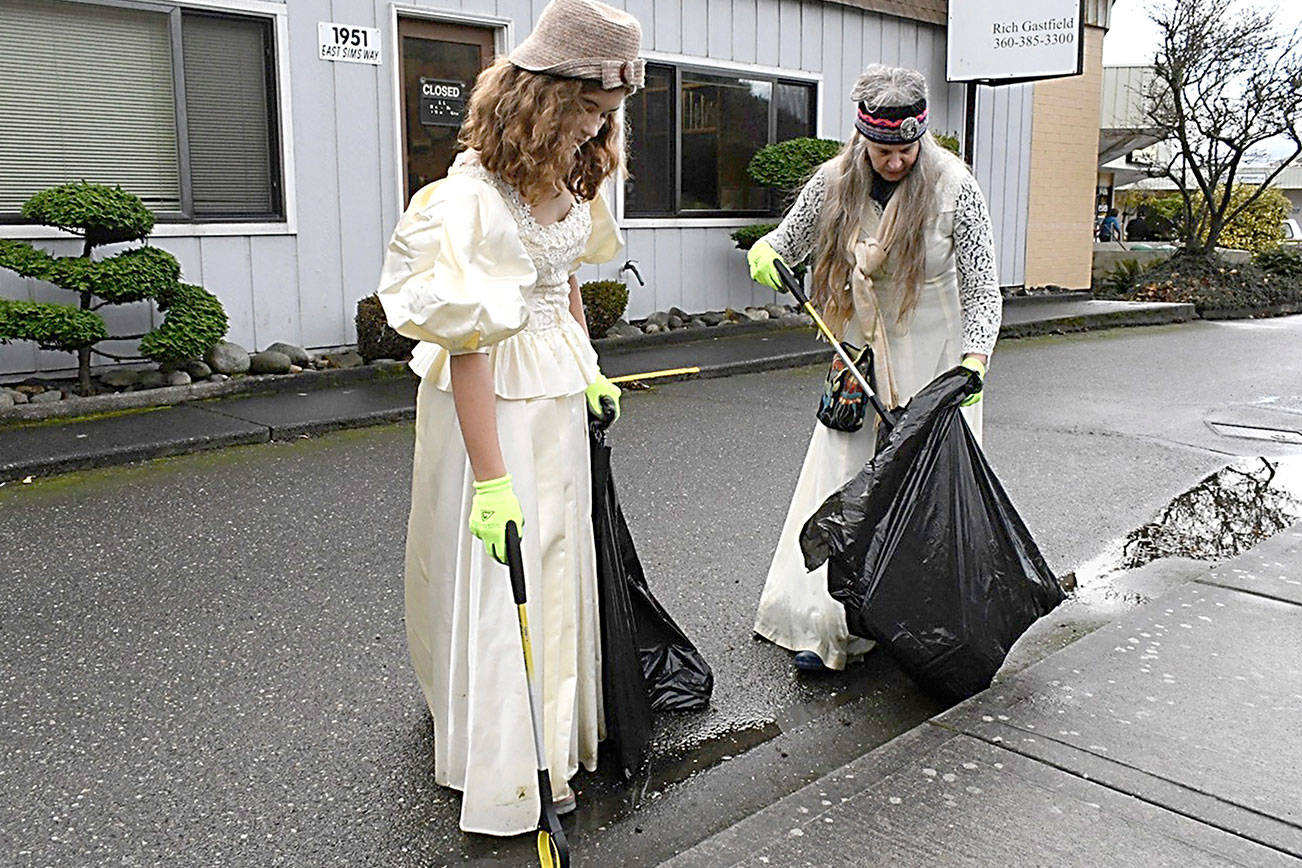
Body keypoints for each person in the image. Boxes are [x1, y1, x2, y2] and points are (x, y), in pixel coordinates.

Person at [374, 0, 642, 836]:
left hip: (554, 395)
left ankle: (552, 734)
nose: (600, 129)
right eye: (591, 111)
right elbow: (470, 351)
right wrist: (491, 482)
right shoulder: (470, 202)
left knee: (559, 565)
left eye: (608, 113)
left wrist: (589, 368)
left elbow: (562, 284)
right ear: (545, 100)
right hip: (491, 408)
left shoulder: (573, 171)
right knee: (507, 572)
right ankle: (512, 758)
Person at [746, 64, 1002, 673]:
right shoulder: (835, 183)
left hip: (937, 361)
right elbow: (786, 243)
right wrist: (767, 254)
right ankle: (826, 627)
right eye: (883, 151)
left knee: (920, 494)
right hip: (858, 352)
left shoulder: (953, 188)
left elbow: (985, 289)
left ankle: (916, 626)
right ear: (863, 141)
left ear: (922, 138)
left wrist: (974, 360)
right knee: (841, 478)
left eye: (906, 149)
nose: (895, 163)